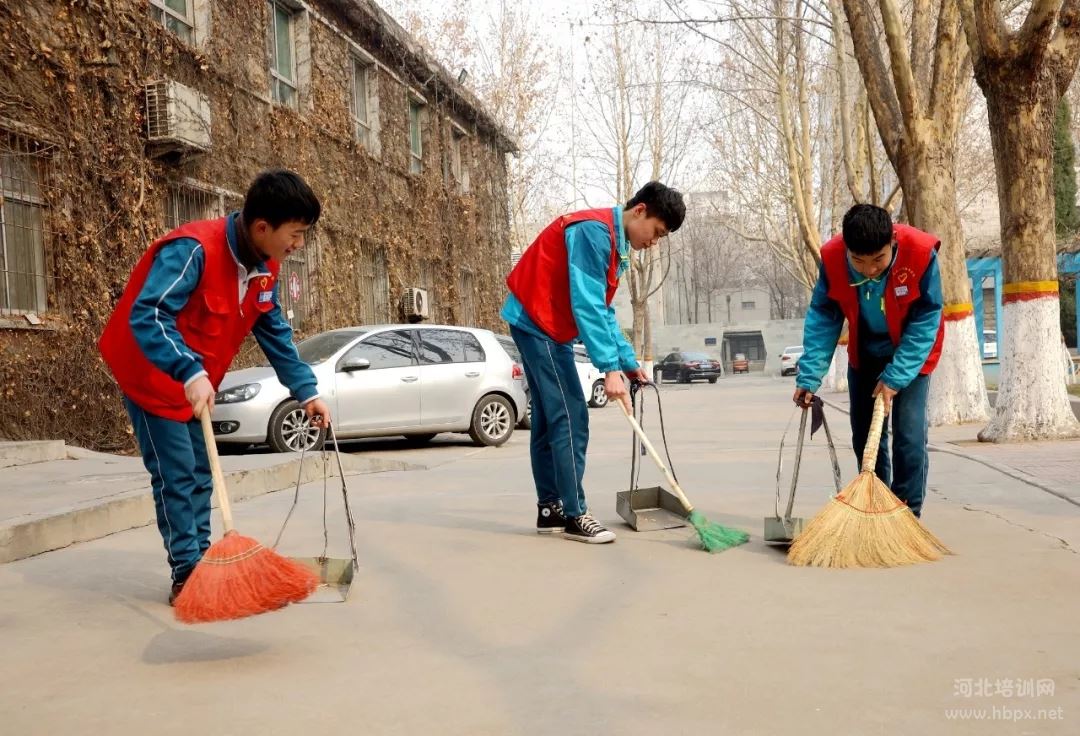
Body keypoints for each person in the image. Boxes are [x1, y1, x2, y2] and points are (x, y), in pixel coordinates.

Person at [99, 169, 331, 603]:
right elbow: (148, 315)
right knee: (176, 474)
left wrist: (307, 391)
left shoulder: (264, 268)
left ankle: (205, 561)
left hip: (197, 381)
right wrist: (188, 370)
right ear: (263, 227)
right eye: (296, 234)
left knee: (203, 473)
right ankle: (187, 573)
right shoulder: (195, 249)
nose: (299, 244)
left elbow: (274, 330)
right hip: (153, 373)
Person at [503, 181, 685, 543]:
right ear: (640, 211)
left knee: (548, 420)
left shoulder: (614, 242)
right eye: (658, 232)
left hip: (540, 324)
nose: (654, 242)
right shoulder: (593, 232)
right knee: (571, 416)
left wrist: (627, 361)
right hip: (539, 324)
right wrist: (608, 368)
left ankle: (549, 508)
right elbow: (586, 303)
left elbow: (602, 311)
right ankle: (574, 514)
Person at [793, 204, 943, 518]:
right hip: (865, 355)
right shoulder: (833, 259)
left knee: (909, 438)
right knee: (866, 437)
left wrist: (897, 376)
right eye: (858, 261)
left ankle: (906, 516)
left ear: (893, 243)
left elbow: (927, 316)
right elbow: (824, 316)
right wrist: (809, 377)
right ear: (847, 250)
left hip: (911, 358)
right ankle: (877, 509)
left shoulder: (919, 253)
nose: (869, 270)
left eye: (878, 259)